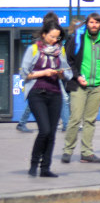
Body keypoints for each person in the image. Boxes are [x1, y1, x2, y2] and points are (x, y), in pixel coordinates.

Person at [20, 16, 72, 177]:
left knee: (52, 134)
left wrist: (62, 74)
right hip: (37, 93)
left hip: (55, 94)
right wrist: (44, 72)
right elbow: (24, 73)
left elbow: (68, 72)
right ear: (44, 34)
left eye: (57, 38)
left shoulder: (60, 51)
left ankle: (45, 168)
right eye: (52, 37)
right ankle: (34, 164)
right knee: (45, 130)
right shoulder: (33, 49)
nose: (54, 40)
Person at [62, 12, 100, 164]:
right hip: (79, 86)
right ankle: (68, 150)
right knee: (75, 119)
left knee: (90, 120)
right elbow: (68, 60)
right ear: (87, 24)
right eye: (91, 22)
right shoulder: (77, 38)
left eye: (97, 23)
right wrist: (77, 76)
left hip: (98, 86)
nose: (94, 25)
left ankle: (87, 152)